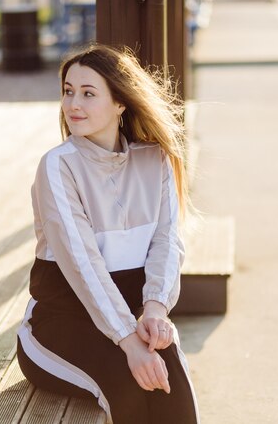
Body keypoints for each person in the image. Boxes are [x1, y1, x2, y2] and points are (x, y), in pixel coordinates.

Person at [16, 43, 199, 424]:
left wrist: (155, 309)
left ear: (120, 102)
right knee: (128, 386)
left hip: (133, 318)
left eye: (88, 93)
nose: (73, 104)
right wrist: (129, 342)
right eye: (68, 91)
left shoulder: (157, 158)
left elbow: (167, 241)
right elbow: (83, 264)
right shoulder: (57, 166)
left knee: (171, 386)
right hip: (58, 325)